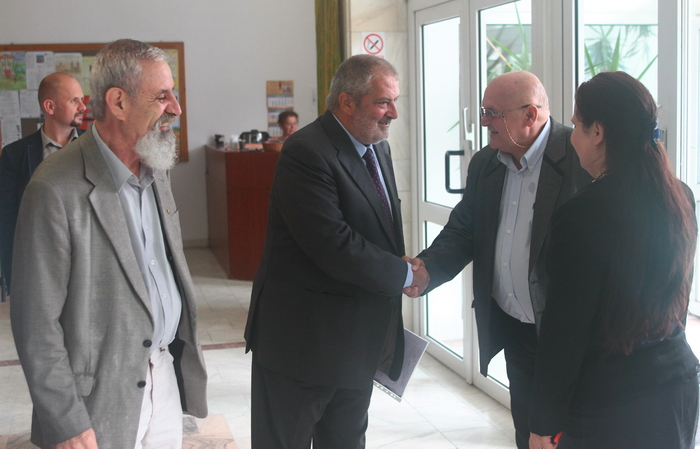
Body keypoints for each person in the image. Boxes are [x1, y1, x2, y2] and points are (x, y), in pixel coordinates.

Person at [10, 39, 207, 449]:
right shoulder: (54, 187)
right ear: (118, 102)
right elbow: (35, 323)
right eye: (162, 96)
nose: (176, 108)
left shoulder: (157, 168)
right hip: (97, 400)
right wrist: (66, 421)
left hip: (162, 376)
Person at [244, 54, 428, 449]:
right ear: (347, 101)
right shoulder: (306, 150)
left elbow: (379, 233)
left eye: (395, 101)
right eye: (383, 102)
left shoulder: (377, 148)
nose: (393, 113)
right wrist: (405, 274)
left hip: (357, 343)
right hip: (303, 345)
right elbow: (332, 242)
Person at [405, 71, 590, 449]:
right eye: (483, 111)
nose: (484, 121)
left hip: (566, 338)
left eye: (492, 113)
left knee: (568, 435)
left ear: (530, 115)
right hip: (516, 332)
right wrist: (427, 270)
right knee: (528, 431)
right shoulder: (485, 163)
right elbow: (463, 230)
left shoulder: (578, 158)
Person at [529, 71, 699, 449]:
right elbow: (677, 294)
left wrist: (543, 421)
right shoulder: (681, 196)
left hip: (613, 403)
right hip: (676, 383)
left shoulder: (582, 214)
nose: (572, 137)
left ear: (598, 132)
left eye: (576, 126)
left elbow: (565, 330)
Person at [0, 72, 86, 294]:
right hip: (39, 264)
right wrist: (13, 278)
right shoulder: (14, 155)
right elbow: (7, 220)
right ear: (50, 107)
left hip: (88, 261)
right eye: (74, 100)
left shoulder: (97, 146)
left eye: (82, 99)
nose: (83, 107)